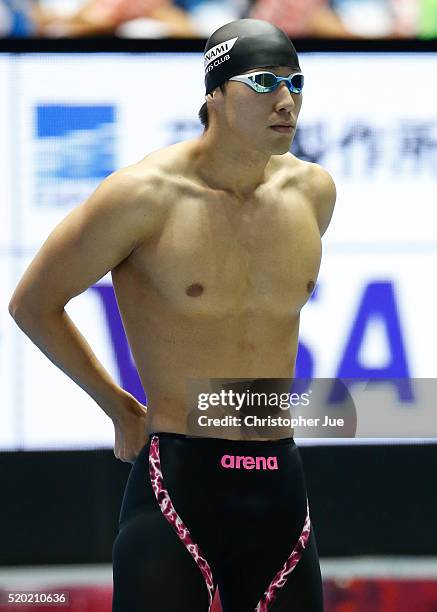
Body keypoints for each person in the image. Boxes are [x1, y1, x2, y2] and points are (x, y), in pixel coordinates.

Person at [8, 18, 335, 611]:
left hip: (281, 482)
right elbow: (32, 304)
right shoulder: (142, 197)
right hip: (179, 485)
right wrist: (119, 406)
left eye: (296, 82)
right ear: (215, 92)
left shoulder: (312, 193)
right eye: (263, 82)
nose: (286, 101)